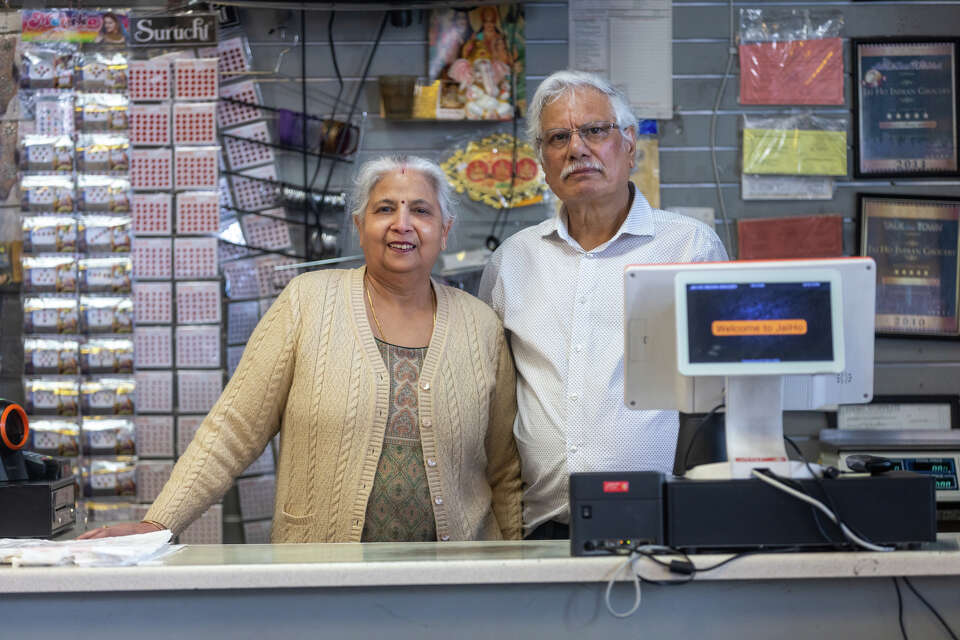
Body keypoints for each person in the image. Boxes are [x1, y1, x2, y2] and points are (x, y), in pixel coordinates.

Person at [81, 155, 522, 543]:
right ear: (359, 226)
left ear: (444, 231)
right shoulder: (306, 303)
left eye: (420, 211)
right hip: (321, 576)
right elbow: (233, 429)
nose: (401, 224)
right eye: (385, 208)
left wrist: (517, 569)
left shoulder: (480, 326)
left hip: (455, 582)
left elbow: (505, 470)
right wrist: (159, 524)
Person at [478, 70, 728, 540]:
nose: (577, 149)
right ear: (543, 162)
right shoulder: (512, 260)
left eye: (594, 130)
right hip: (540, 529)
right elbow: (492, 397)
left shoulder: (690, 248)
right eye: (558, 137)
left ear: (629, 145)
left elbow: (724, 393)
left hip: (660, 523)